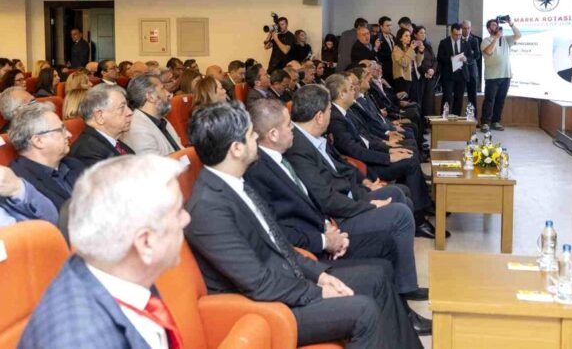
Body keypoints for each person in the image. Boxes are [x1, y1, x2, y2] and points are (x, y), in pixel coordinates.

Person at [184, 101, 425, 349]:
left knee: (377, 278)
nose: (257, 137)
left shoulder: (236, 184)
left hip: (286, 282)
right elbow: (258, 282)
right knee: (364, 311)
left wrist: (319, 275)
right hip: (265, 309)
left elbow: (280, 245)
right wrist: (316, 292)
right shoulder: (208, 208)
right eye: (250, 135)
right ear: (236, 149)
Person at [19, 155, 190, 349]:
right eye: (178, 212)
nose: (187, 219)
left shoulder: (120, 272)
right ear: (145, 243)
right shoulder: (80, 341)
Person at [325, 75, 435, 237]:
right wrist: (388, 156)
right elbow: (355, 151)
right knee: (410, 161)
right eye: (350, 89)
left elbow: (365, 136)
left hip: (369, 156)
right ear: (341, 94)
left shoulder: (345, 112)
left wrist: (388, 148)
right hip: (365, 166)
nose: (354, 91)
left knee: (408, 154)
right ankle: (418, 220)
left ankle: (420, 204)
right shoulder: (336, 118)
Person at [9, 102, 85, 211]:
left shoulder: (73, 164)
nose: (69, 134)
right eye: (61, 130)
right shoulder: (21, 185)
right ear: (38, 141)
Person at [69, 84, 135, 166]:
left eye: (127, 106)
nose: (130, 112)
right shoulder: (88, 153)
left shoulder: (114, 142)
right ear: (99, 116)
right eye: (122, 107)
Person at [123, 74, 183, 155]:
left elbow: (180, 149)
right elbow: (154, 162)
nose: (168, 94)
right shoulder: (137, 128)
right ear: (150, 96)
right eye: (162, 88)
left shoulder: (160, 119)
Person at [480, 17, 522, 132]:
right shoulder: (486, 40)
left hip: (506, 75)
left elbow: (518, 35)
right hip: (492, 76)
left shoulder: (505, 39)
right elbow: (489, 51)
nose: (496, 26)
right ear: (489, 29)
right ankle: (485, 123)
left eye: (497, 24)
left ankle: (495, 121)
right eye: (493, 25)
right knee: (490, 100)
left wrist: (511, 24)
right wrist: (496, 38)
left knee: (500, 100)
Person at [437, 23, 473, 117]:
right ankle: (444, 118)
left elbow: (471, 57)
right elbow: (440, 57)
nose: (458, 37)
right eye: (455, 34)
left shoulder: (465, 42)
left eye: (460, 34)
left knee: (459, 98)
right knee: (447, 97)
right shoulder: (444, 42)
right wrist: (451, 58)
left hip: (461, 74)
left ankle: (456, 118)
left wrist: (466, 59)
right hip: (449, 74)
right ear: (451, 32)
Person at [391, 28, 423, 99]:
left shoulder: (408, 48)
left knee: (415, 99)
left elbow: (418, 63)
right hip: (402, 78)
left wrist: (420, 52)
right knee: (405, 100)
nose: (409, 38)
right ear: (400, 38)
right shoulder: (396, 49)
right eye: (406, 36)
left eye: (409, 36)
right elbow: (404, 63)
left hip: (413, 75)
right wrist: (411, 49)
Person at [414, 26, 438, 117]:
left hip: (431, 76)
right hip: (421, 77)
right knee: (423, 101)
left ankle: (430, 121)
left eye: (424, 33)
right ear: (415, 35)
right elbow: (417, 63)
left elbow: (434, 60)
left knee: (430, 101)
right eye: (421, 33)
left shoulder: (428, 46)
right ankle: (422, 122)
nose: (423, 35)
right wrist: (427, 70)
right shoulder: (414, 47)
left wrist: (433, 70)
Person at [461, 20, 482, 117]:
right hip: (460, 70)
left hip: (471, 70)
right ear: (461, 28)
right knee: (459, 94)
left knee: (472, 95)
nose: (466, 30)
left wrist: (467, 59)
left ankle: (473, 118)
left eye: (468, 28)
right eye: (464, 28)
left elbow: (477, 55)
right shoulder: (458, 39)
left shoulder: (474, 40)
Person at [375, 16, 395, 86]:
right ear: (381, 27)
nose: (390, 27)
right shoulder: (377, 38)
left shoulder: (392, 36)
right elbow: (378, 55)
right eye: (387, 26)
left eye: (391, 25)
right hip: (385, 70)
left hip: (394, 69)